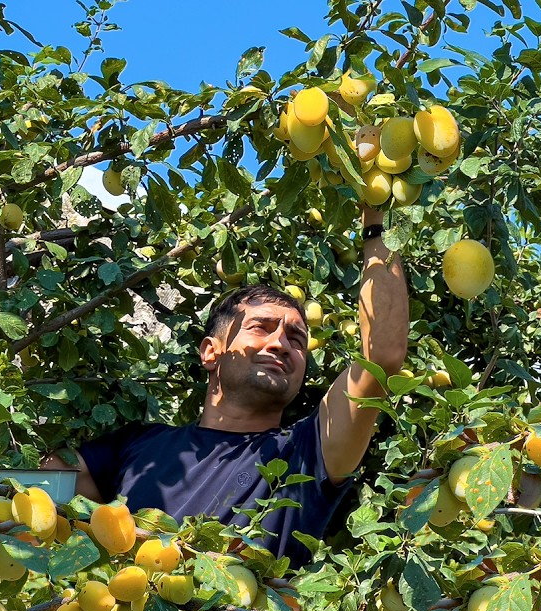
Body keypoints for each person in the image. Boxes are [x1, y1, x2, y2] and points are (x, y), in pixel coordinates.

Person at [43, 205, 409, 566]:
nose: (281, 343)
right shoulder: (140, 445)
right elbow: (37, 488)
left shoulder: (306, 454)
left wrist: (377, 221)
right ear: (210, 352)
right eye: (261, 327)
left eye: (296, 340)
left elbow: (382, 357)